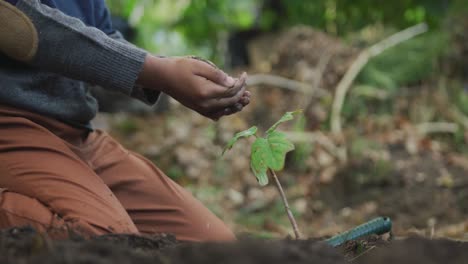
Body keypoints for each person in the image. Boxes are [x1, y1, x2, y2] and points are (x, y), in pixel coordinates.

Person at [0, 0, 251, 241]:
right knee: (102, 238)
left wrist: (171, 69)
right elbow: (16, 22)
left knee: (213, 246)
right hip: (10, 126)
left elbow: (100, 37)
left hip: (73, 130)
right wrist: (159, 73)